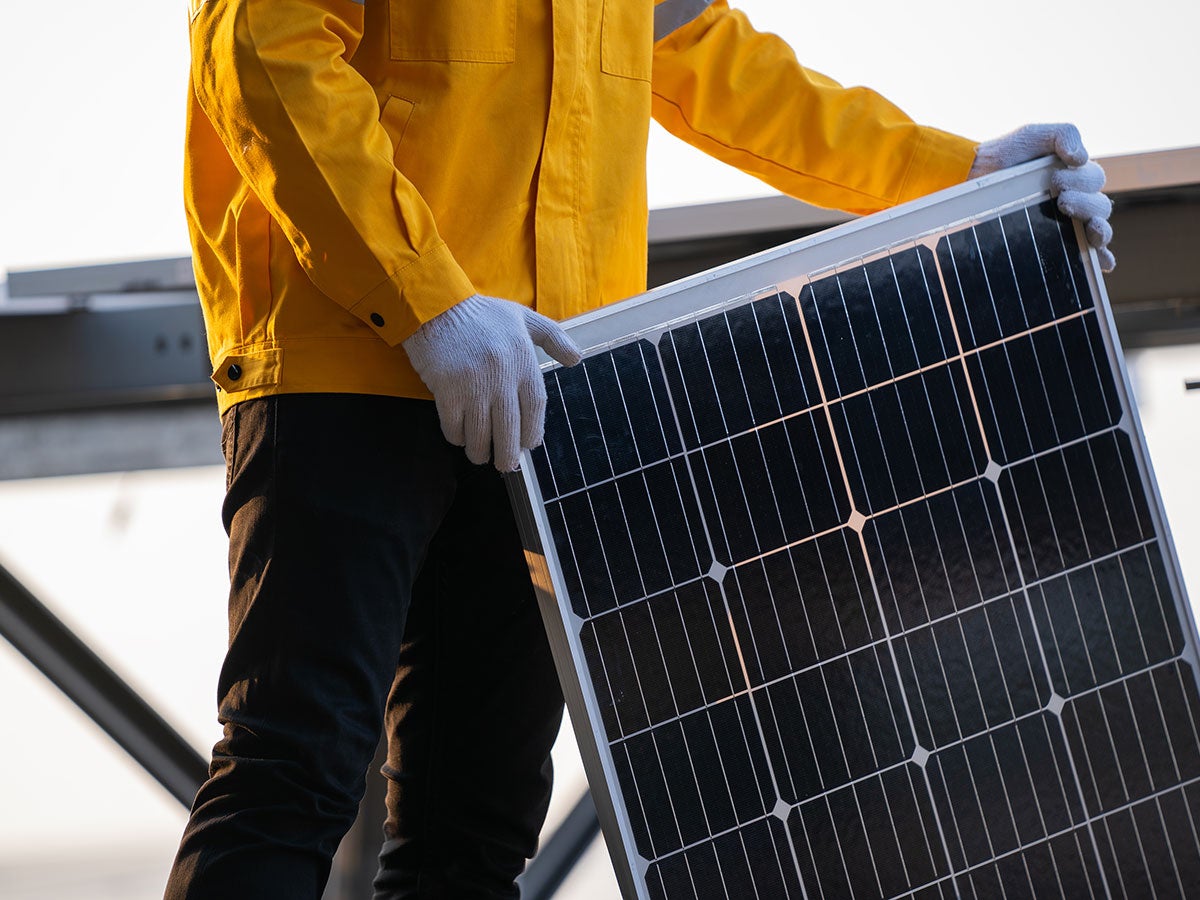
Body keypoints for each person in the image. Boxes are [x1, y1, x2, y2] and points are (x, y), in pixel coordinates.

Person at [165, 1, 1114, 897]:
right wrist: (430, 303)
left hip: (544, 383)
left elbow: (707, 56)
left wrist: (958, 172)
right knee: (295, 767)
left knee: (475, 824)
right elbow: (263, 47)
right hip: (346, 364)